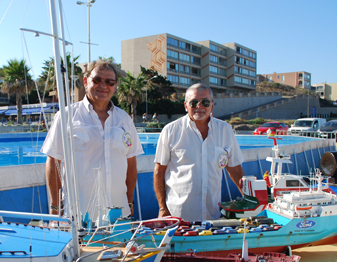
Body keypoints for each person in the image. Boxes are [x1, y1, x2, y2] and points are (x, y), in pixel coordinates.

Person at [41, 59, 143, 219]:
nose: (103, 86)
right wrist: (55, 206)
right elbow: (54, 161)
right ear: (85, 81)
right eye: (97, 80)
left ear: (115, 86)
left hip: (118, 215)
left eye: (110, 82)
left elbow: (131, 164)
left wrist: (129, 202)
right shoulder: (67, 116)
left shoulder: (125, 120)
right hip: (79, 215)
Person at [154, 83, 244, 222]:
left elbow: (234, 168)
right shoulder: (170, 131)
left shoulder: (224, 130)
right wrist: (162, 208)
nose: (199, 106)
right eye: (194, 102)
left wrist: (250, 199)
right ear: (185, 105)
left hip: (212, 215)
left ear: (212, 105)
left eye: (205, 102)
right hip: (177, 216)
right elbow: (159, 171)